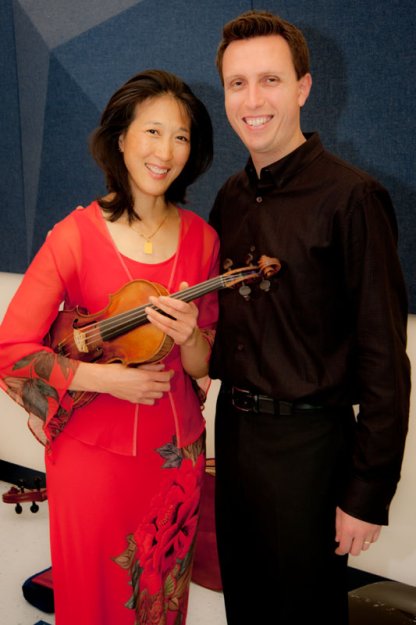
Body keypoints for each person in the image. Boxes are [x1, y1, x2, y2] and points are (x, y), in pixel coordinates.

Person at [208, 10, 411, 625]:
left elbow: (384, 357)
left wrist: (367, 494)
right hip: (236, 439)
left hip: (311, 450)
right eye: (237, 84)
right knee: (244, 607)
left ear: (303, 87)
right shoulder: (230, 197)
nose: (252, 100)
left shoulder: (353, 198)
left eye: (269, 80)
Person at [0, 69, 219, 625]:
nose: (164, 151)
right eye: (152, 131)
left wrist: (191, 335)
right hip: (91, 457)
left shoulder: (203, 239)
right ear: (120, 138)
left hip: (175, 456)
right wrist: (106, 378)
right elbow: (11, 349)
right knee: (95, 599)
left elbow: (205, 363)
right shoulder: (73, 235)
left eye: (181, 136)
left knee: (159, 602)